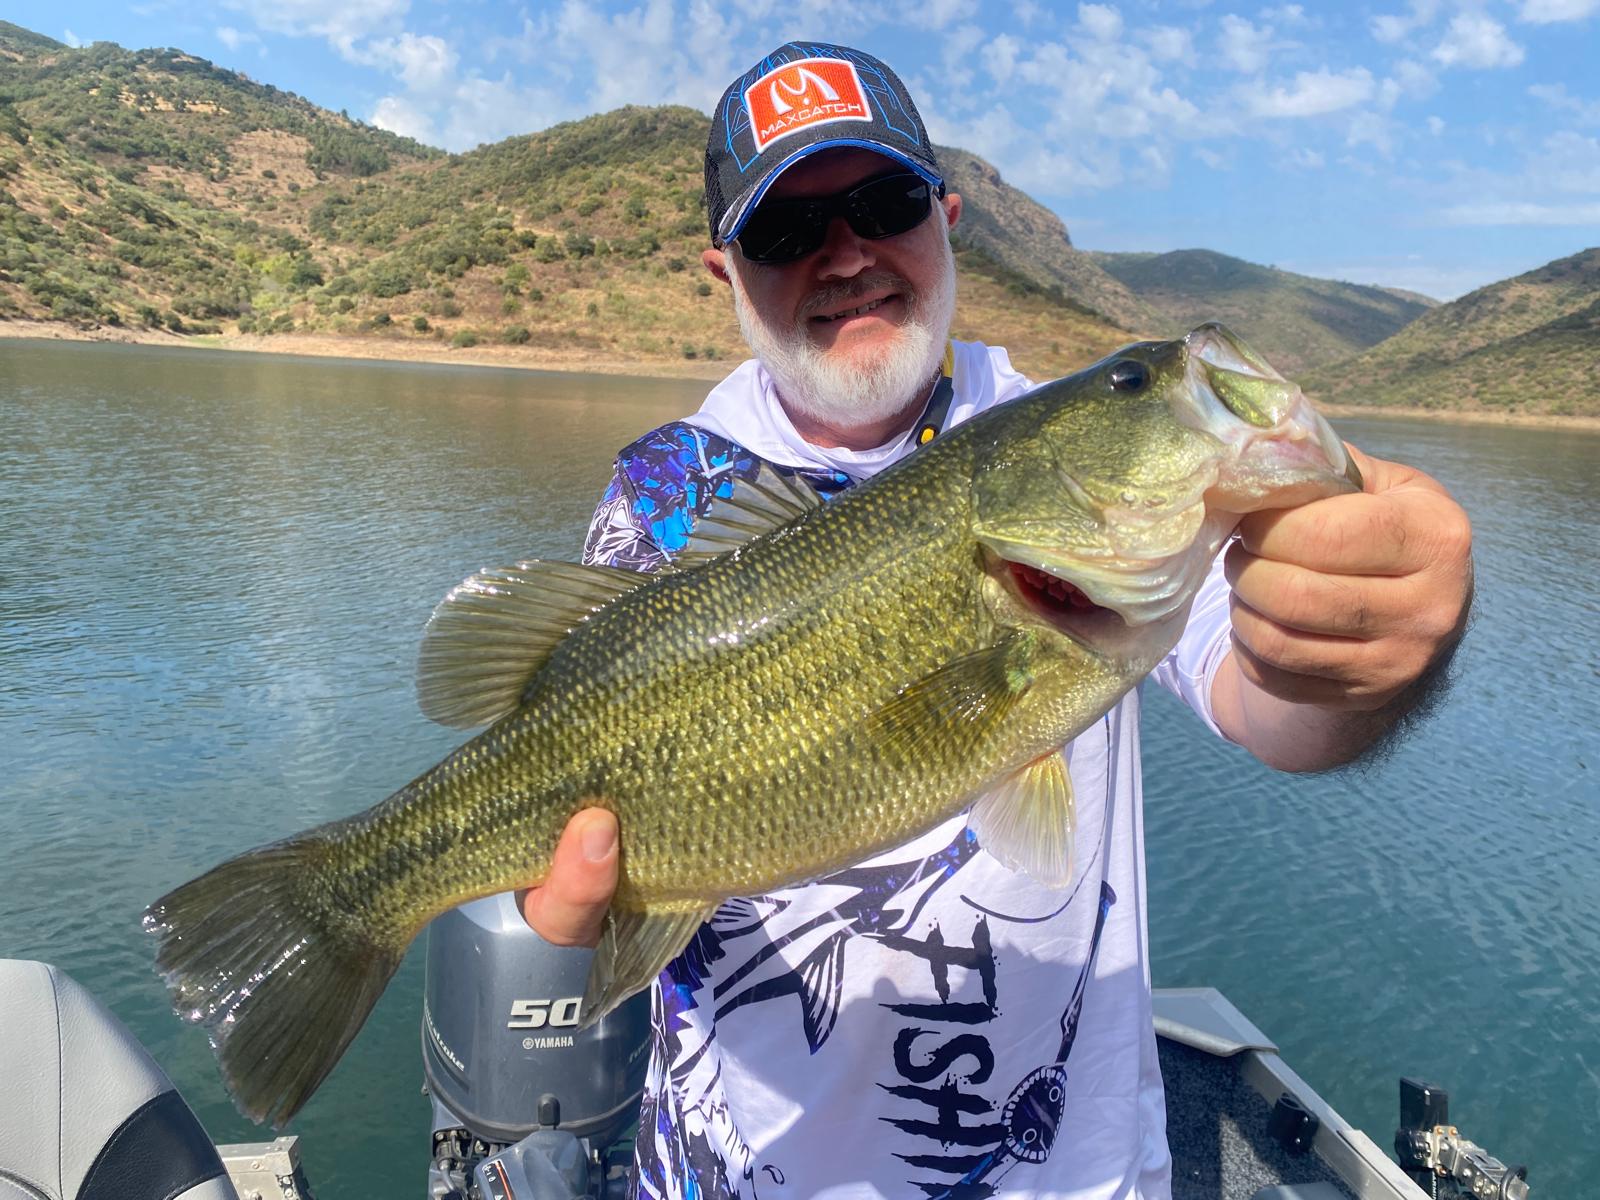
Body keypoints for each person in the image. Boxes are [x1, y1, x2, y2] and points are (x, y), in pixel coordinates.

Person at [520, 42, 1474, 1199]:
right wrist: (559, 901)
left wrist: (1363, 658)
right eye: (785, 233)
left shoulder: (1048, 437)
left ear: (947, 219)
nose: (847, 257)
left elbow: (1277, 705)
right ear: (724, 274)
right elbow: (566, 792)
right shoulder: (661, 496)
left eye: (883, 204)